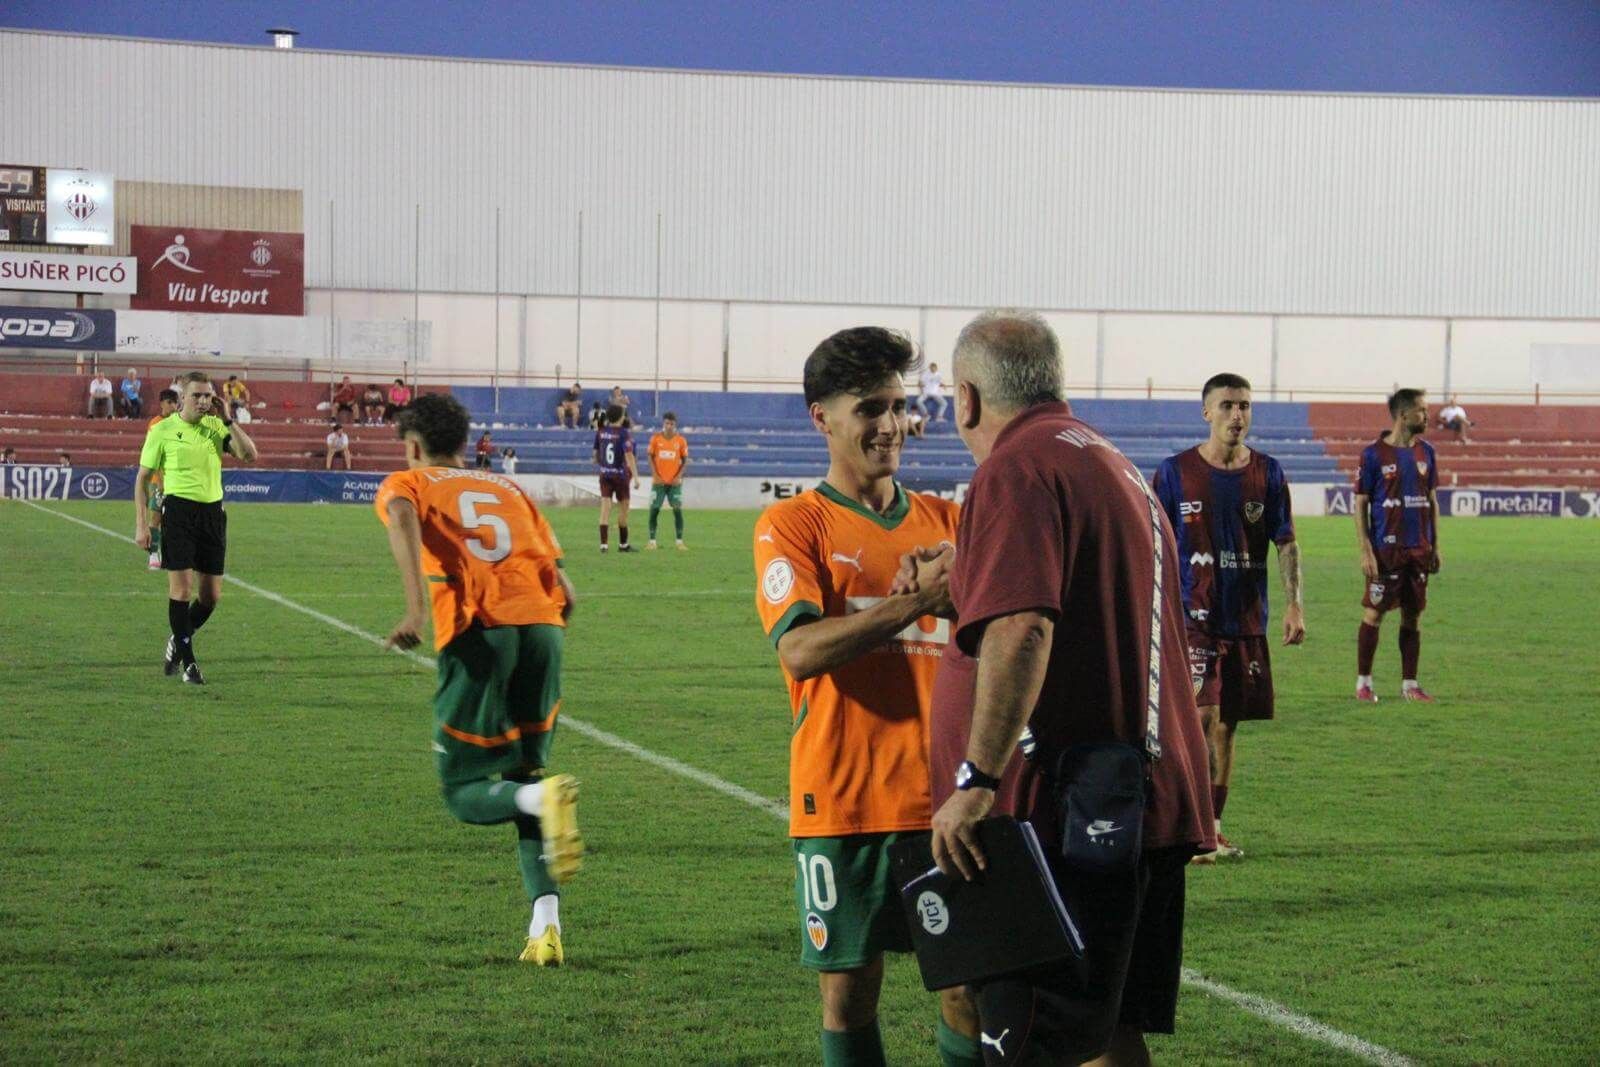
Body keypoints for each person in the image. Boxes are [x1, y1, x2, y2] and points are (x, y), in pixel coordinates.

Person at [926, 310, 1213, 1066]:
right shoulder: (1113, 464)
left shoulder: (1016, 469)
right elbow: (1087, 612)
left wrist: (976, 780)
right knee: (1109, 1035)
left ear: (966, 398)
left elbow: (1024, 627)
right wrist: (963, 586)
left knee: (1031, 1040)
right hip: (1134, 803)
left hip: (1061, 814)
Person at [752, 327, 978, 1067]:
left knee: (967, 990)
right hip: (842, 798)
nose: (891, 425)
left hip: (945, 799)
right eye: (870, 409)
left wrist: (958, 590)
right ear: (822, 417)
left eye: (898, 406)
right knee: (849, 995)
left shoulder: (950, 524)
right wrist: (912, 604)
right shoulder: (794, 524)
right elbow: (799, 649)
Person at [374, 392, 584, 965]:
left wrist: (416, 610)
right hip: (543, 629)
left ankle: (541, 798)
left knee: (463, 792)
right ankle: (546, 928)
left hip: (480, 631)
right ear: (466, 443)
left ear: (413, 445)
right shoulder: (508, 488)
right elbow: (567, 590)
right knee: (524, 779)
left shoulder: (409, 482)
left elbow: (400, 514)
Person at [1153, 373, 1305, 864]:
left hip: (1245, 619)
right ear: (1206, 412)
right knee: (1202, 717)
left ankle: (1213, 830)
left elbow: (1286, 542)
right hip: (1191, 617)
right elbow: (1155, 543)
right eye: (1227, 405)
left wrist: (1294, 604)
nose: (1237, 415)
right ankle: (1194, 828)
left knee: (1227, 727)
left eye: (1244, 406)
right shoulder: (1174, 473)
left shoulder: (1268, 473)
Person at [134, 371, 260, 685]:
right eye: (197, 395)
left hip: (212, 515)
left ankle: (178, 639)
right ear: (183, 398)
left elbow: (249, 455)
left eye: (207, 396)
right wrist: (142, 525)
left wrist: (228, 419)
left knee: (210, 596)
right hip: (178, 512)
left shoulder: (216, 427)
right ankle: (189, 664)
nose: (203, 401)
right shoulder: (162, 430)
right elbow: (142, 479)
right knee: (181, 590)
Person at [1354, 388, 1441, 703]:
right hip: (1385, 552)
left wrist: (1435, 546)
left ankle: (1410, 685)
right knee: (1374, 614)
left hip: (1418, 550)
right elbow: (1360, 504)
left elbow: (1432, 501)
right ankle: (1364, 683)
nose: (1427, 415)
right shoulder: (1373, 455)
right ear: (1404, 415)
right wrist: (1366, 550)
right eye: (1422, 410)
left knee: (1412, 616)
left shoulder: (1427, 453)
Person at [143, 389, 181, 570]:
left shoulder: (180, 422)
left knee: (176, 520)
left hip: (177, 480)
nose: (173, 406)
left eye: (175, 403)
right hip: (159, 480)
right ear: (162, 404)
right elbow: (154, 454)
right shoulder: (155, 424)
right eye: (169, 403)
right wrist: (160, 479)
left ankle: (171, 554)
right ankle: (153, 554)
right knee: (156, 517)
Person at [593, 405, 638, 552]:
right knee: (623, 510)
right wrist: (636, 477)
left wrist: (604, 465)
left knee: (605, 508)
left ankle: (603, 545)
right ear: (621, 417)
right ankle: (623, 544)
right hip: (620, 476)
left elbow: (595, 456)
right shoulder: (624, 433)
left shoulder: (601, 432)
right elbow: (629, 455)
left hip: (605, 474)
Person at [646, 412, 690, 551]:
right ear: (663, 423)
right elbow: (650, 457)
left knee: (677, 509)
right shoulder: (655, 439)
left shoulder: (681, 441)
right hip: (658, 482)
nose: (669, 426)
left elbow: (685, 461)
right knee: (654, 509)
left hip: (674, 483)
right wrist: (655, 475)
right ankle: (652, 541)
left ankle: (679, 541)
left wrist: (678, 477)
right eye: (667, 423)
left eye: (671, 424)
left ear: (675, 425)